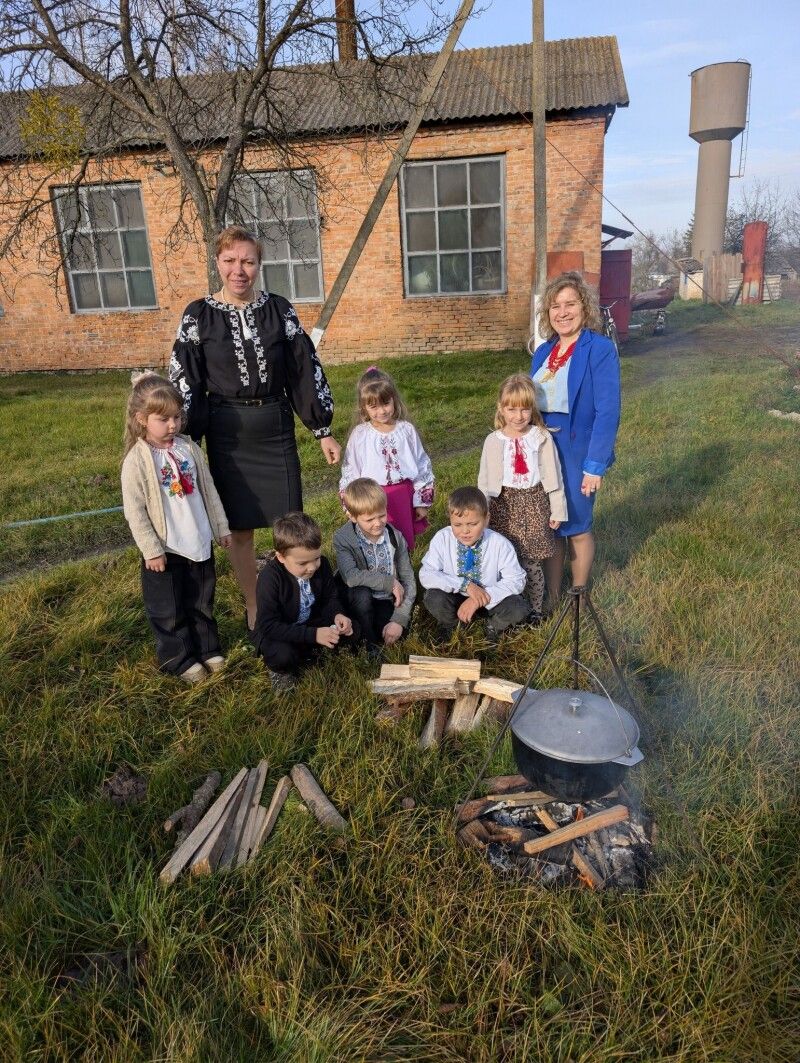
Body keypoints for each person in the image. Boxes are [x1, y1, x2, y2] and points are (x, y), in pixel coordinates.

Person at [168, 225, 341, 632]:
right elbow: (184, 377)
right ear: (218, 263)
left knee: (291, 523)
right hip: (228, 434)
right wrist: (182, 439)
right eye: (230, 261)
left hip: (275, 427)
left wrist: (323, 430)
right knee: (240, 529)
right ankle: (254, 604)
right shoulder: (198, 315)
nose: (238, 270)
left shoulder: (279, 309)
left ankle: (299, 598)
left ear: (259, 264)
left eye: (247, 261)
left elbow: (303, 368)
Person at [121, 373, 232, 684]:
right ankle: (178, 658)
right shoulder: (137, 461)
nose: (173, 424)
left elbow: (208, 490)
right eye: (164, 419)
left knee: (202, 600)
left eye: (177, 417)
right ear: (142, 419)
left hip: (197, 541)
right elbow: (136, 511)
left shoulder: (188, 448)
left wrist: (220, 526)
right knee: (168, 610)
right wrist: (151, 549)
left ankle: (207, 648)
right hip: (166, 551)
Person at [530, 271, 621, 604]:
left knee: (577, 523)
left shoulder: (598, 349)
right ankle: (552, 596)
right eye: (555, 306)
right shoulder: (543, 352)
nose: (562, 312)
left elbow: (607, 411)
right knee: (551, 525)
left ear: (585, 308)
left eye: (570, 304)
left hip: (577, 452)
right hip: (542, 450)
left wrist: (594, 465)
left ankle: (579, 592)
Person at [478, 373, 567, 619]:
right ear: (501, 408)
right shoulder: (493, 441)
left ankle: (536, 609)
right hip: (502, 505)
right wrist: (482, 511)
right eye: (512, 409)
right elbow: (484, 480)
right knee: (504, 558)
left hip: (534, 503)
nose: (518, 416)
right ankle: (502, 608)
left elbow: (553, 474)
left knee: (531, 560)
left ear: (533, 409)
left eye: (525, 409)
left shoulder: (541, 437)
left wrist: (557, 509)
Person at [251, 512, 357, 692]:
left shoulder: (321, 565)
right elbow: (269, 625)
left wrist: (338, 614)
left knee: (353, 630)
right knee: (282, 655)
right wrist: (314, 635)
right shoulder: (270, 578)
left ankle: (311, 653)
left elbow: (330, 597)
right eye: (302, 563)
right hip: (280, 631)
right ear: (281, 557)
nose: (312, 567)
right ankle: (280, 672)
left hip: (311, 621)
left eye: (316, 558)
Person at [338, 367, 434, 550]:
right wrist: (350, 505)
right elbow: (350, 471)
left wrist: (421, 501)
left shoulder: (406, 430)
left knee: (402, 545)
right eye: (374, 407)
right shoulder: (360, 435)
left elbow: (422, 465)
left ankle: (404, 569)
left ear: (394, 400)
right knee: (378, 541)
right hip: (373, 498)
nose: (381, 411)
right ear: (363, 407)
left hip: (403, 496)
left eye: (386, 404)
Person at [419, 486, 530, 644]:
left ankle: (494, 627)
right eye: (457, 525)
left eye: (472, 524)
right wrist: (465, 586)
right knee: (434, 597)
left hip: (491, 599)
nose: (465, 531)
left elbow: (517, 580)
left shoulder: (499, 543)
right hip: (455, 597)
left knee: (518, 607)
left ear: (486, 519)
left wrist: (480, 598)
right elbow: (427, 574)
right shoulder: (442, 538)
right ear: (450, 520)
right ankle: (452, 625)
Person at [333, 477, 416, 655]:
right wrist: (390, 582)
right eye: (369, 519)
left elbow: (408, 578)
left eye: (382, 515)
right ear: (352, 517)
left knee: (394, 632)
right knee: (361, 596)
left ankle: (375, 632)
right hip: (356, 598)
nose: (377, 523)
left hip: (384, 599)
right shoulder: (343, 538)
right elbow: (351, 576)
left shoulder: (395, 537)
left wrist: (399, 619)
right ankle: (368, 645)